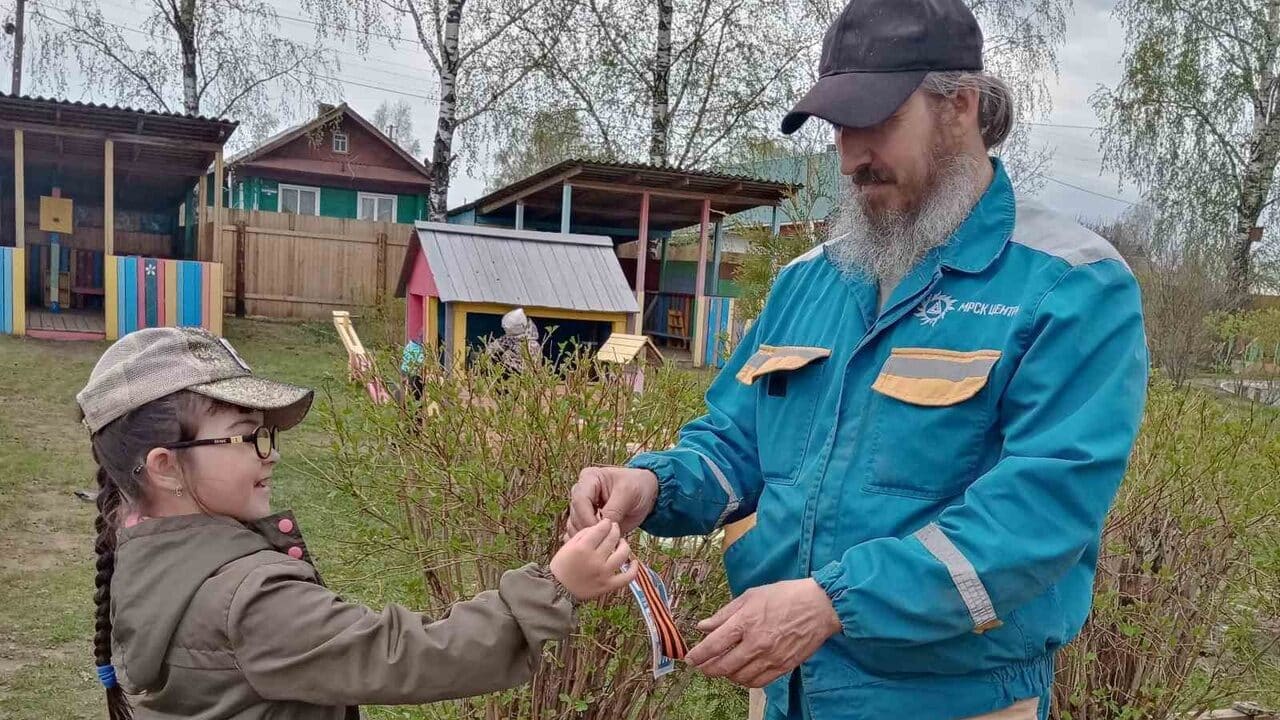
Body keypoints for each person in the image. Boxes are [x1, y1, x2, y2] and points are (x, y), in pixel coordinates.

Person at [567, 1, 1149, 718]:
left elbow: (1036, 518)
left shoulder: (1069, 286)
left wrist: (831, 604)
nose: (848, 158)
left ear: (960, 106)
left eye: (873, 123)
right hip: (788, 686)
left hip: (950, 701)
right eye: (840, 128)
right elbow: (738, 444)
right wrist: (653, 485)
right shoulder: (811, 279)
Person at [77, 327, 638, 720]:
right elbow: (407, 654)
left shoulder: (142, 550)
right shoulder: (249, 601)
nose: (270, 454)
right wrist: (556, 588)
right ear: (165, 466)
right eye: (249, 434)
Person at [484, 308, 543, 374]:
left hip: (521, 378)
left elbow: (528, 369)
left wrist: (508, 357)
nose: (506, 331)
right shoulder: (509, 338)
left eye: (508, 329)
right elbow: (494, 346)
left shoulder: (532, 345)